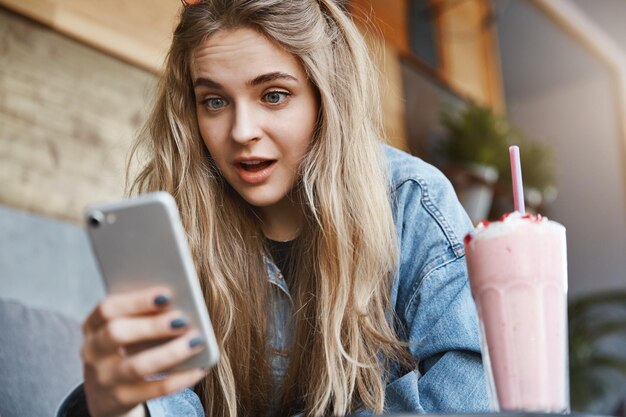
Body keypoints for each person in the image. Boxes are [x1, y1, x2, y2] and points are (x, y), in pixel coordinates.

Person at [58, 0, 490, 416]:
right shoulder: (177, 223)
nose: (242, 131)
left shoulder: (413, 202)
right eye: (214, 101)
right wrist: (121, 405)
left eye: (274, 95)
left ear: (326, 99)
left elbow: (473, 397)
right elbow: (163, 397)